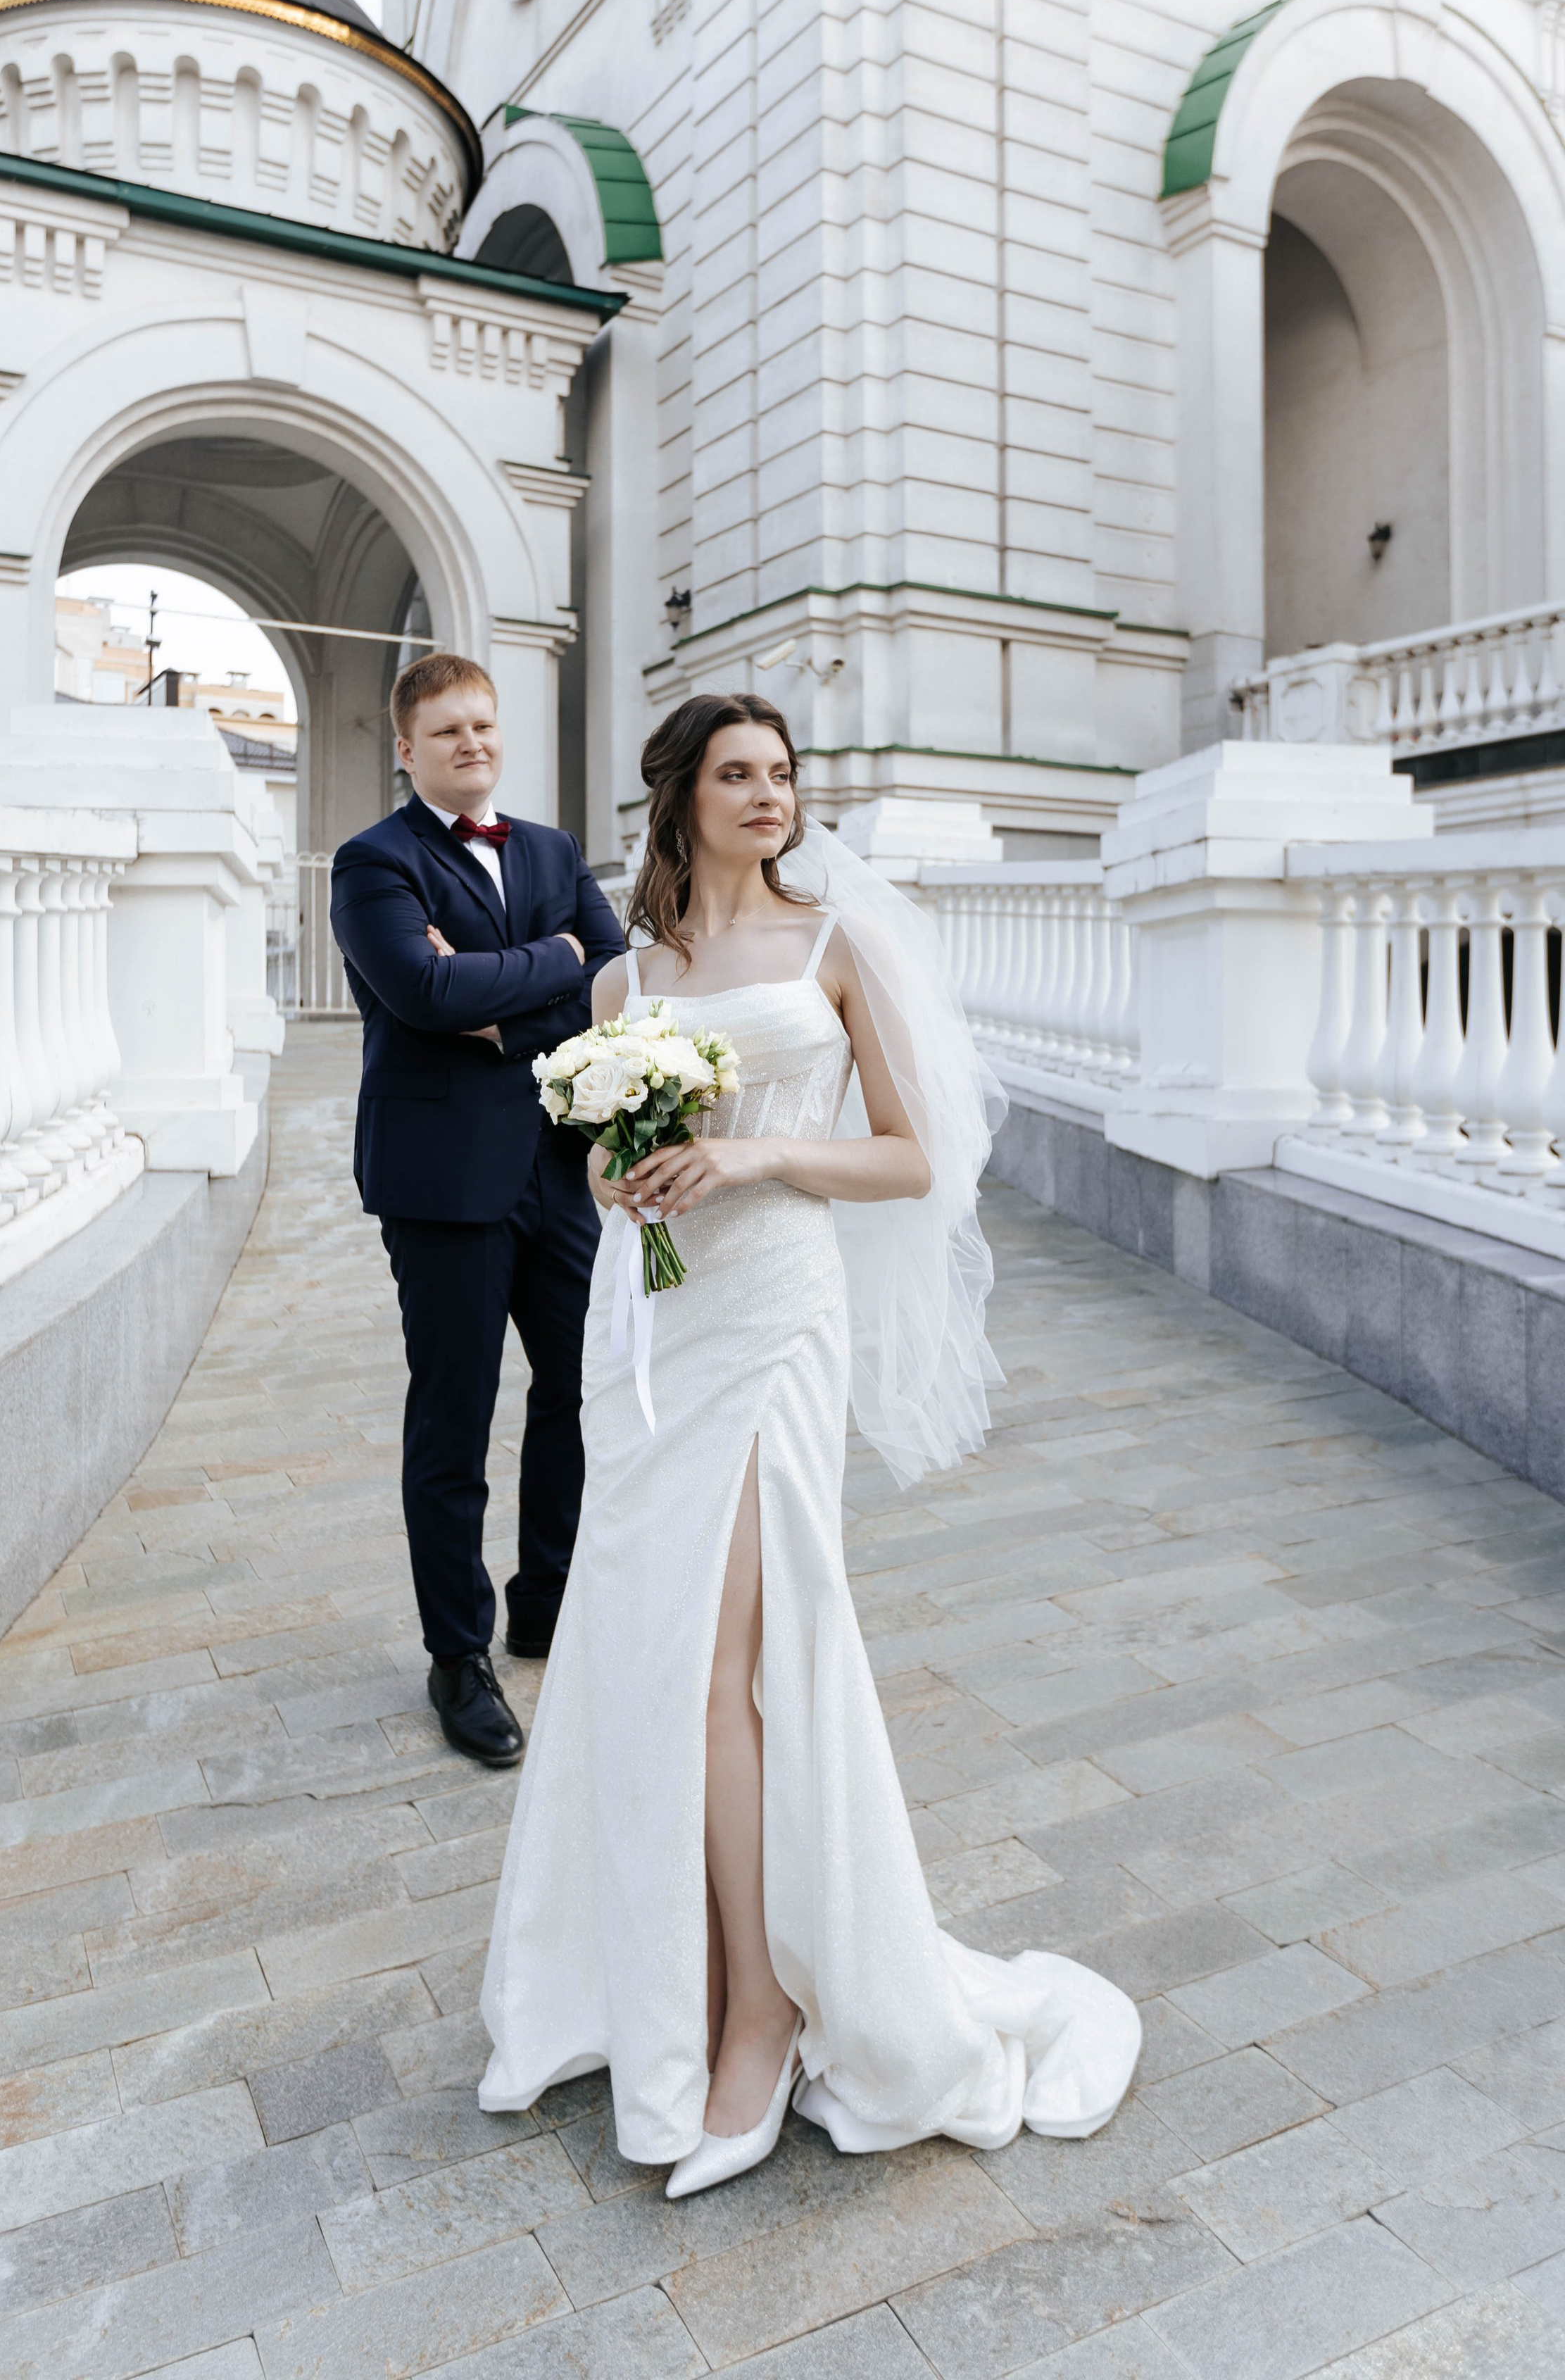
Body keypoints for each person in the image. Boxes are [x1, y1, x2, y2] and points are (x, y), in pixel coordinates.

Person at [477, 691, 1140, 2193]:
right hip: (643, 1330)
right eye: (738, 774)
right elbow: (596, 1166)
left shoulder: (834, 946)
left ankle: (764, 2012)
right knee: (644, 1653)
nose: (768, 796)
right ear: (684, 796)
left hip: (774, 1312)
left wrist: (758, 1147)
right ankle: (668, 1976)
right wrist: (625, 1171)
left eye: (782, 775)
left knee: (725, 1665)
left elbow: (914, 1156)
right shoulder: (622, 980)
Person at [329, 653, 624, 1768]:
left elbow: (619, 975)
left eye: (486, 728)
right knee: (455, 1421)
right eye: (448, 731)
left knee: (581, 1386)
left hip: (561, 1168)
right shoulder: (375, 862)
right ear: (405, 748)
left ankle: (543, 1598)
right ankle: (458, 1656)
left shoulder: (550, 851)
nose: (473, 744)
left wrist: (506, 995)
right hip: (444, 1184)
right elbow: (421, 991)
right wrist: (550, 963)